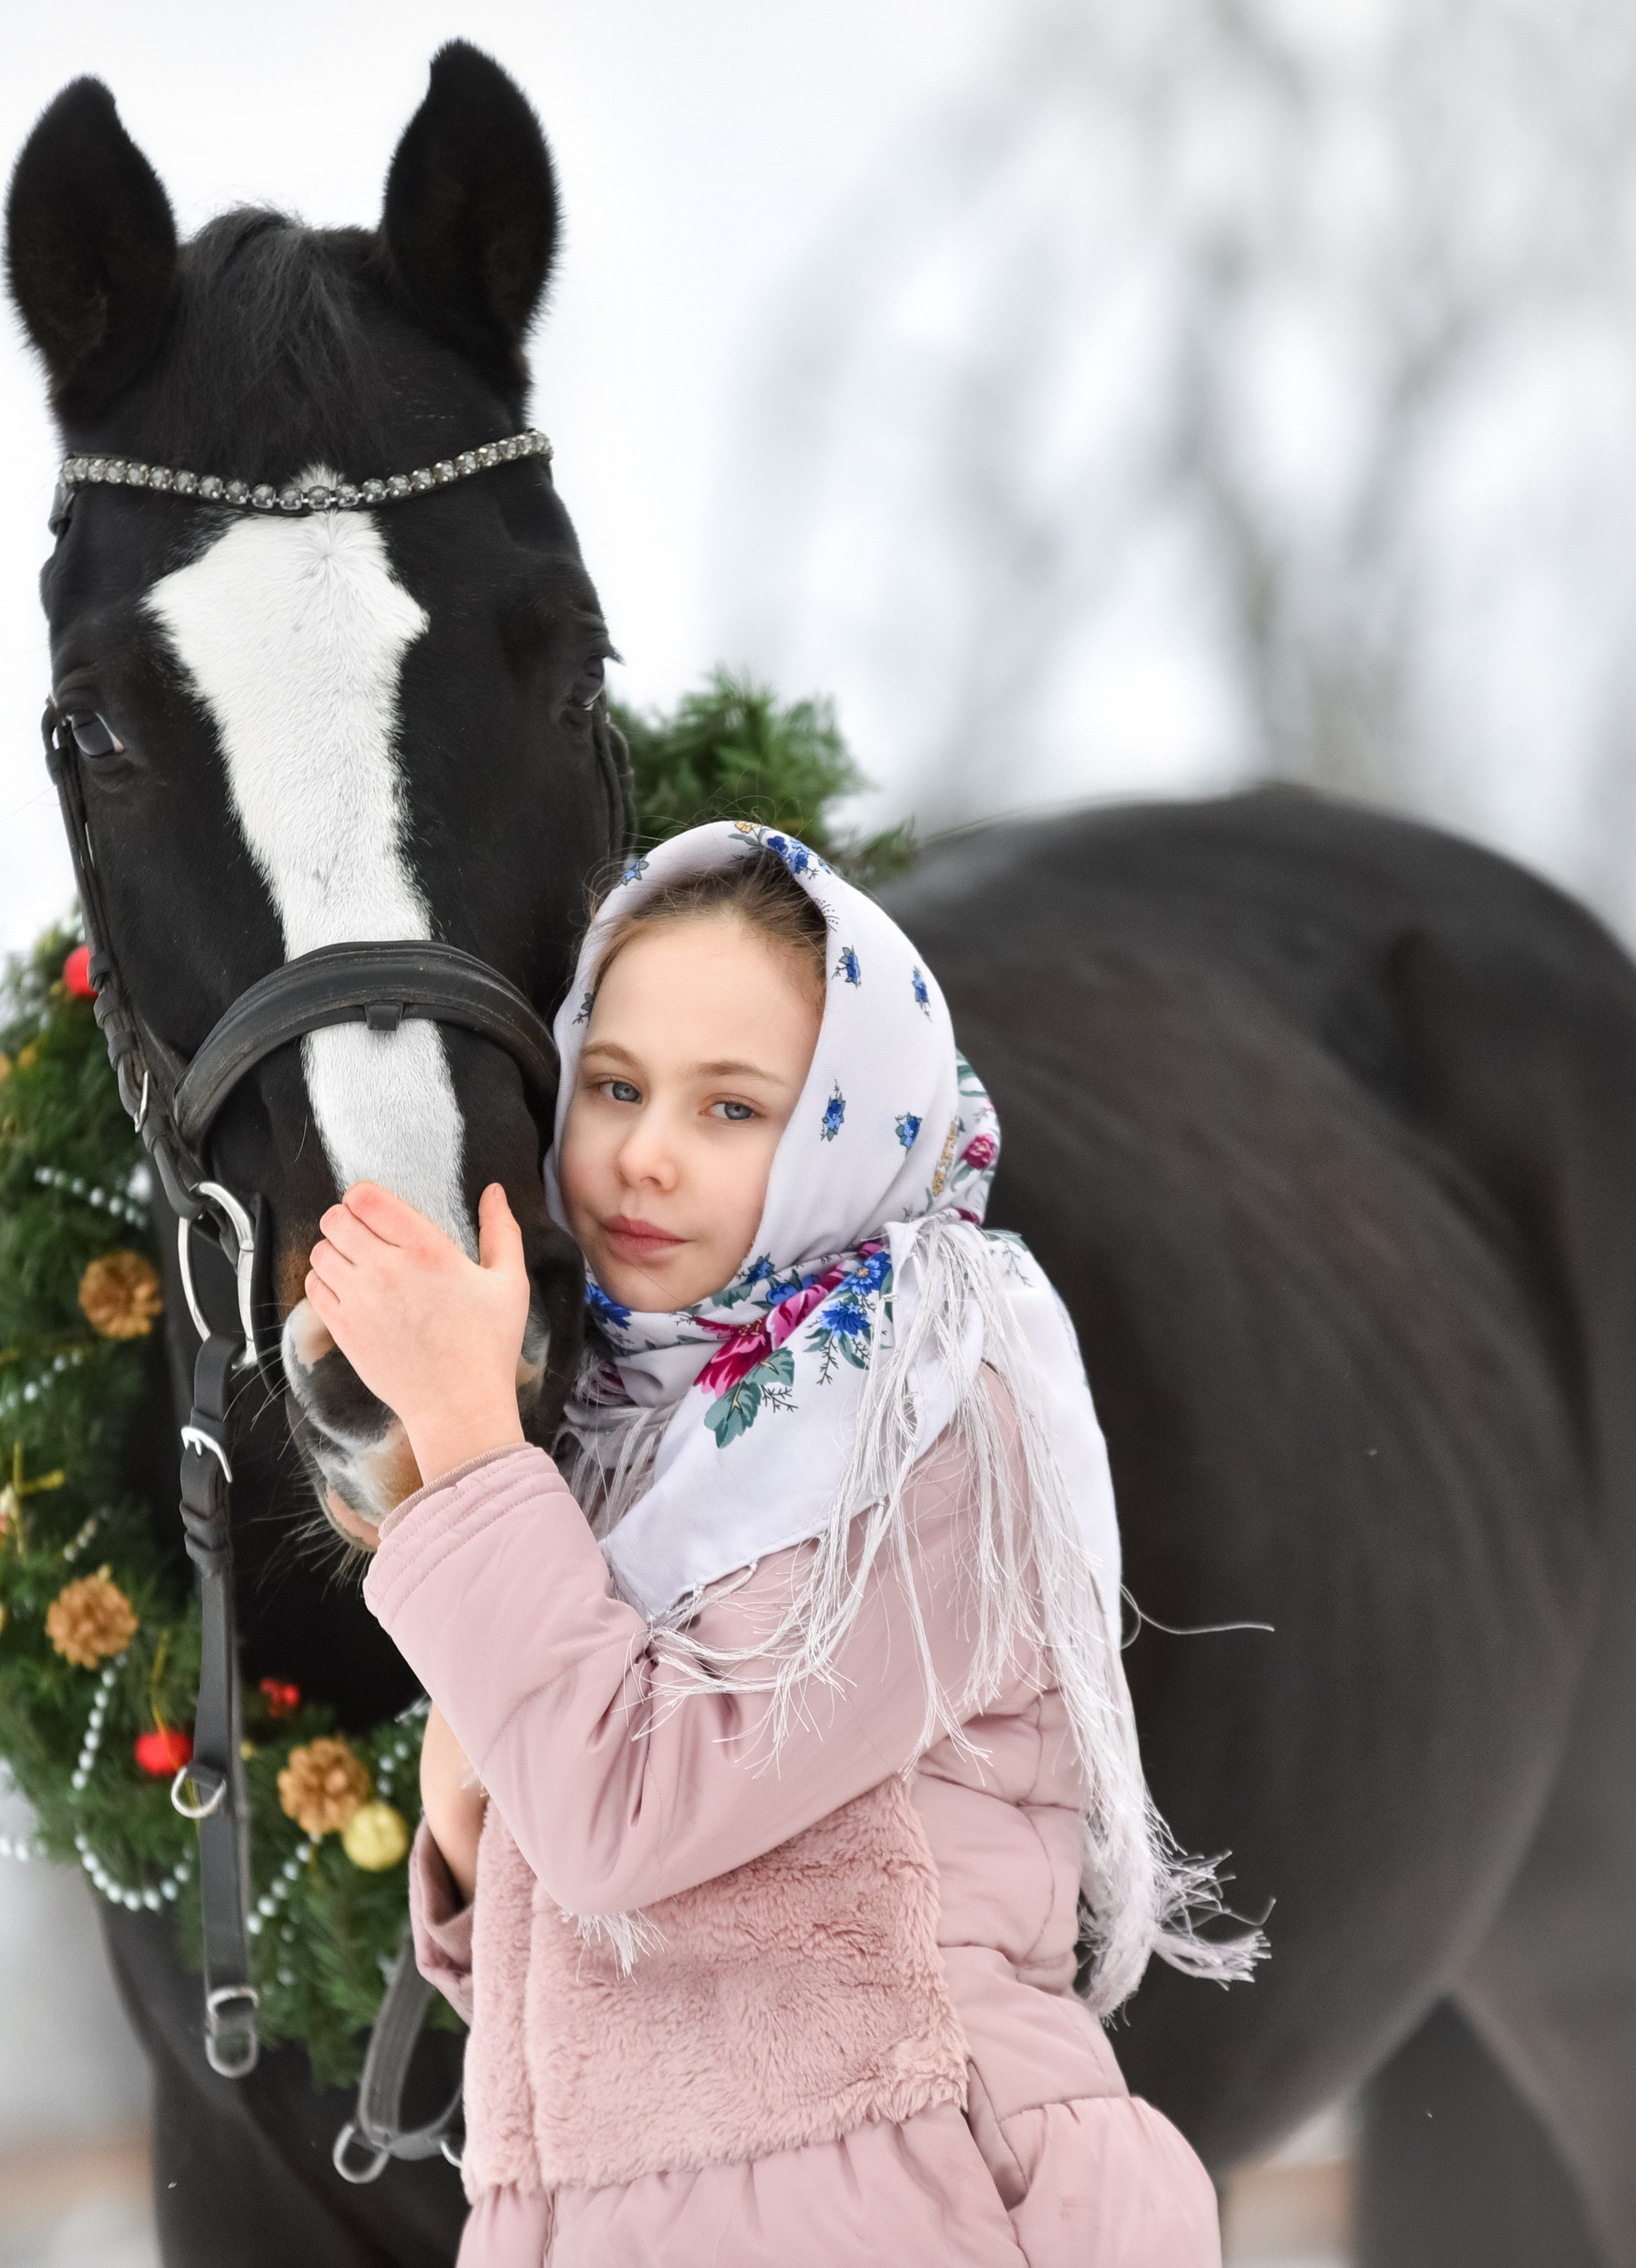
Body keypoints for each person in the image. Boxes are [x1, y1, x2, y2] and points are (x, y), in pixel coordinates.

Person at [305, 821, 1258, 2266]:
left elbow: (631, 1819)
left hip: (898, 2204)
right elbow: (640, 1942)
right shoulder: (639, 1422)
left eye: (735, 1110)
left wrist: (465, 1438)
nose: (646, 1156)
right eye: (614, 1086)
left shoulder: (921, 1403)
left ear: (847, 1129)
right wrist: (460, 1824)